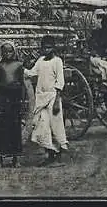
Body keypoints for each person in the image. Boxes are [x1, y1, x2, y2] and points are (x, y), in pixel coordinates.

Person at [24, 35, 68, 166]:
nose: (46, 50)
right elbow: (32, 73)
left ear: (53, 48)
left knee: (56, 125)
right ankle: (49, 154)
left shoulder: (57, 61)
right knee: (42, 125)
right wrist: (22, 68)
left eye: (49, 48)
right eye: (44, 48)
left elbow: (60, 82)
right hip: (41, 97)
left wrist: (56, 102)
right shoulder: (40, 61)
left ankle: (58, 154)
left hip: (52, 97)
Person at [0, 41, 24, 168]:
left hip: (14, 99)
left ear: (14, 51)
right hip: (3, 99)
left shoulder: (19, 65)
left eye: (10, 51)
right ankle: (0, 158)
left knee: (15, 128)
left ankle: (15, 158)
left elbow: (22, 84)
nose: (7, 54)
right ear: (1, 53)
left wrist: (21, 101)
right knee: (1, 129)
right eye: (5, 51)